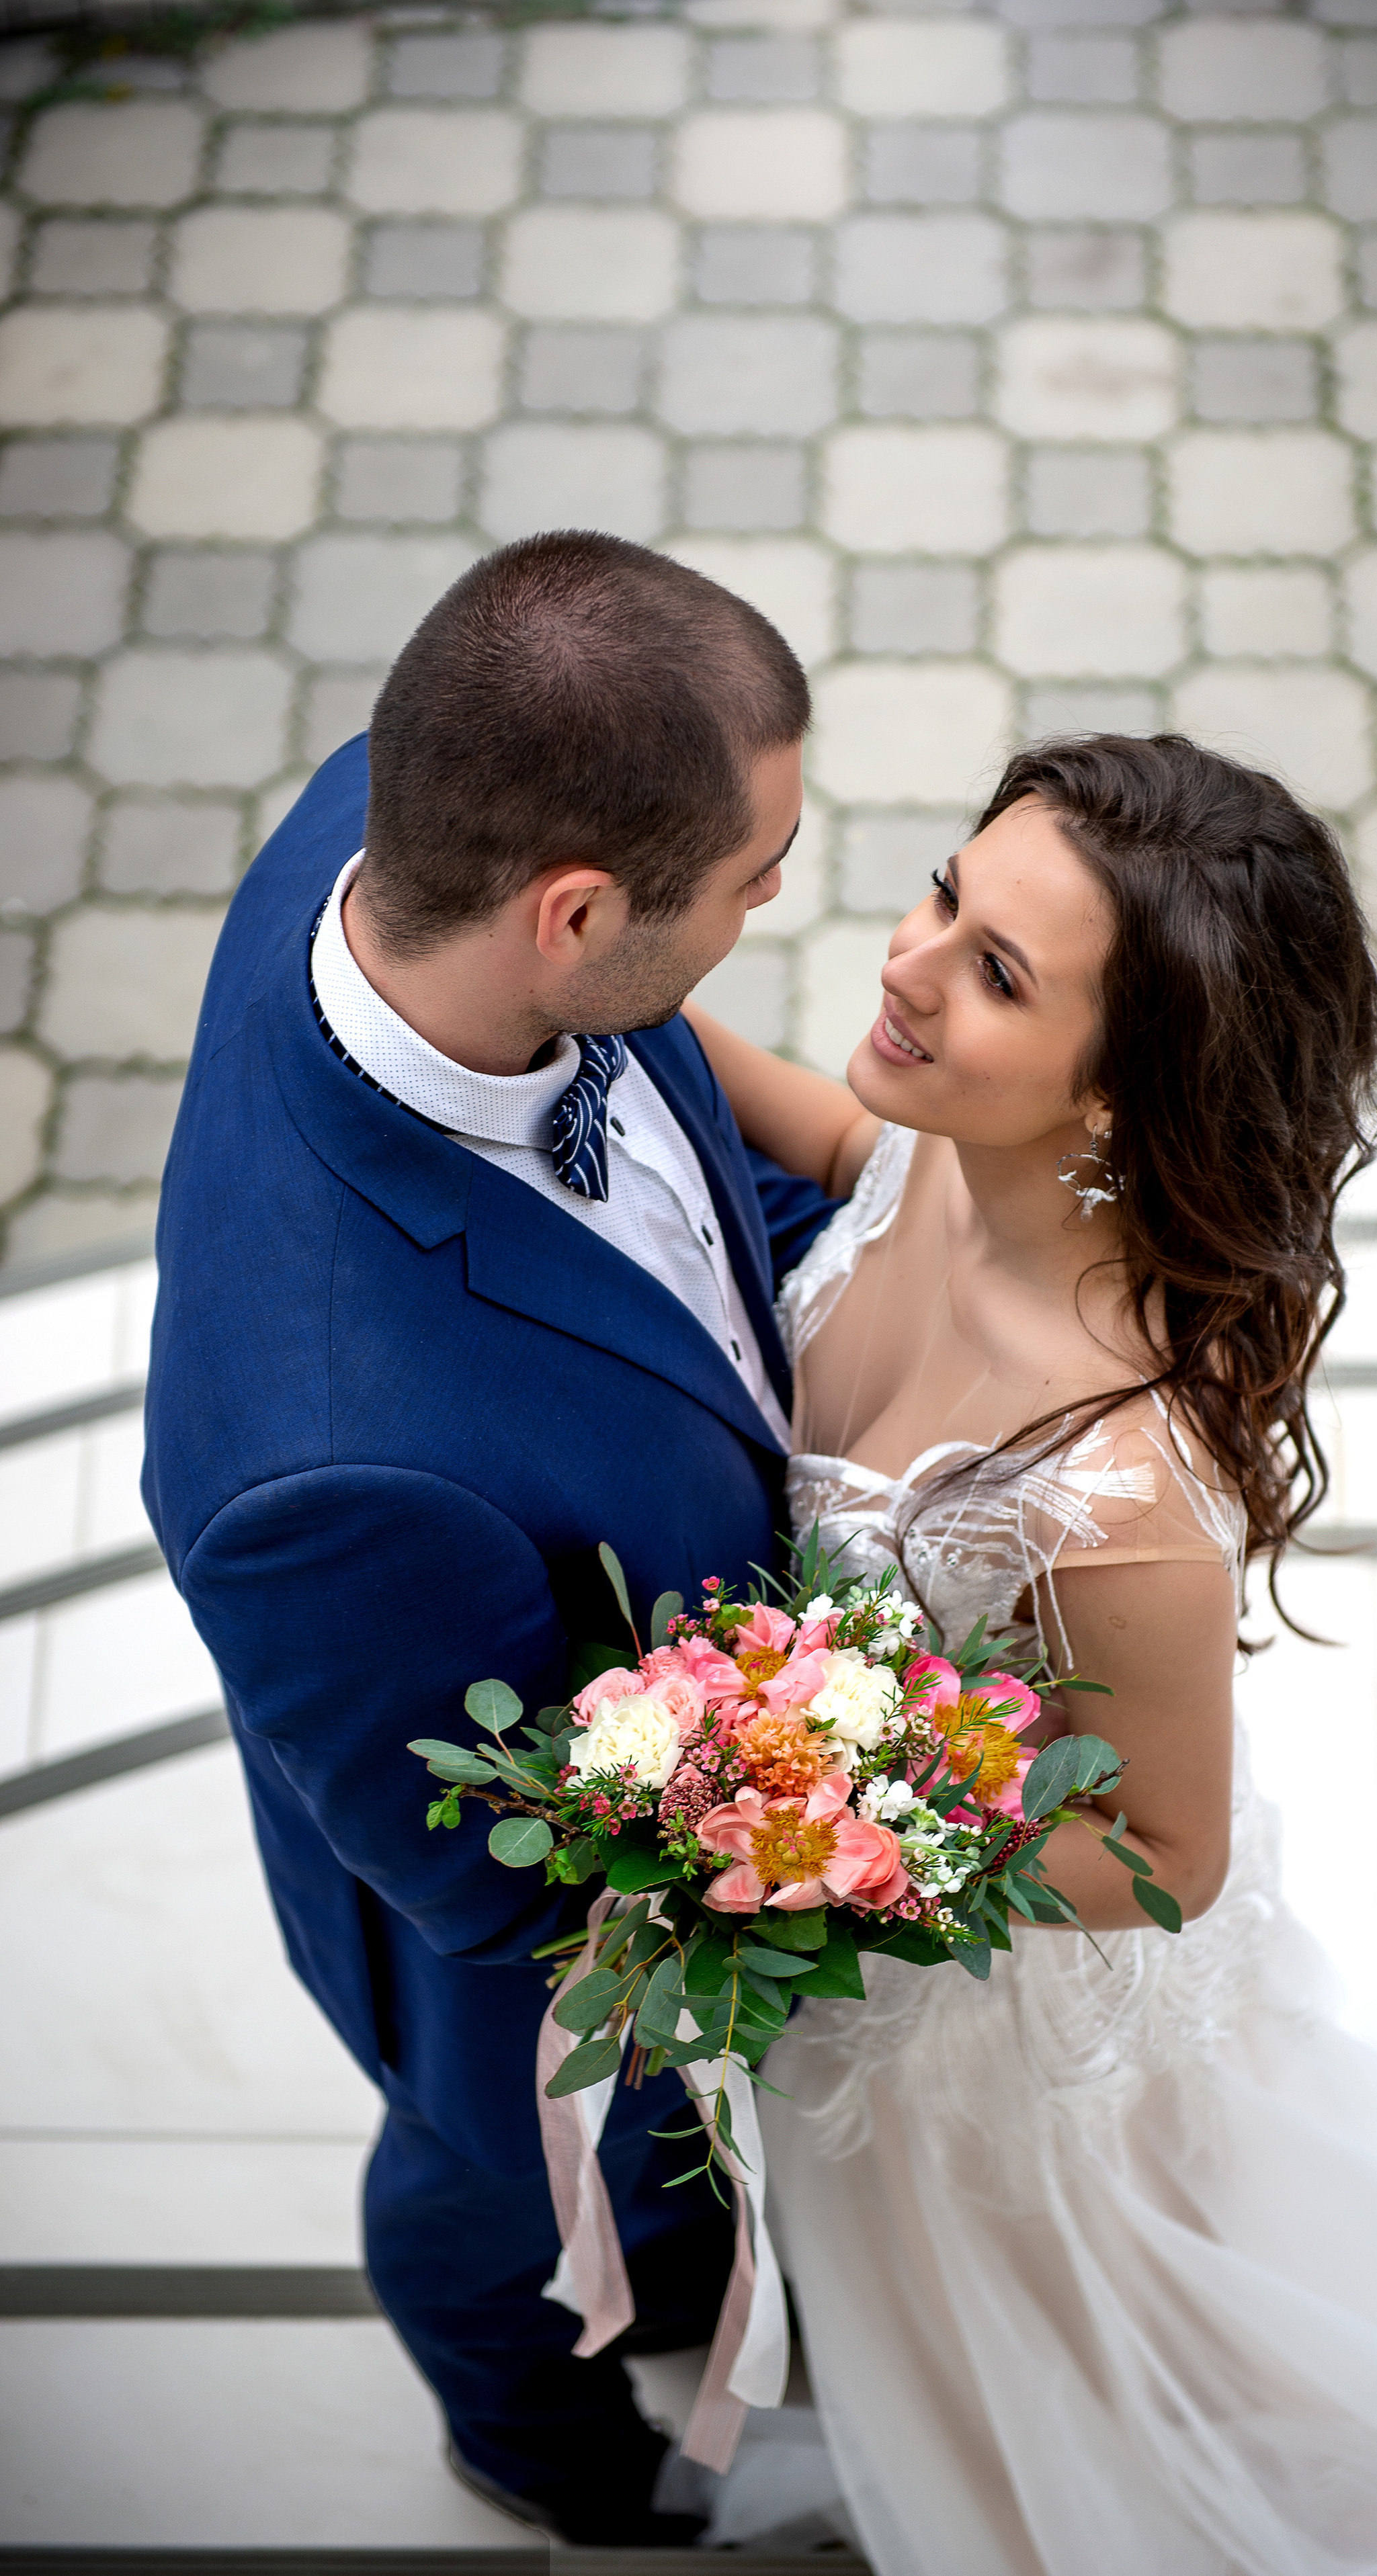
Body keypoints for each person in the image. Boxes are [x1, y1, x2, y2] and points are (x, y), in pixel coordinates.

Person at [685, 733, 1377, 2575]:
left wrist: (822, 1837)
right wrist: (618, 1021)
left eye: (999, 973)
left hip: (975, 1980)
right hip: (883, 1881)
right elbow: (850, 1159)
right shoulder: (946, 1147)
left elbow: (1165, 1852)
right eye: (947, 891)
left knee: (1043, 2330)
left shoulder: (1109, 1479)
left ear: (1112, 1105)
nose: (907, 966)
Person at [142, 533, 844, 2548]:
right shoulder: (328, 1476)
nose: (772, 903)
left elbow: (663, 1188)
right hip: (529, 1973)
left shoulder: (382, 841)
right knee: (503, 2193)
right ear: (576, 911)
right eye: (748, 879)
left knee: (694, 2204)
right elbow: (501, 1865)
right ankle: (531, 2446)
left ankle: (703, 2258)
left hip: (667, 1646)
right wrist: (858, 1800)